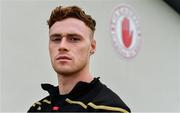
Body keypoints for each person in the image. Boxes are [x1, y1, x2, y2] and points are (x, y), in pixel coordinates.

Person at [28, 5, 131, 112]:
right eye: (56, 39)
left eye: (74, 39)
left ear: (92, 46)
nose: (62, 46)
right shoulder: (38, 108)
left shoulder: (109, 107)